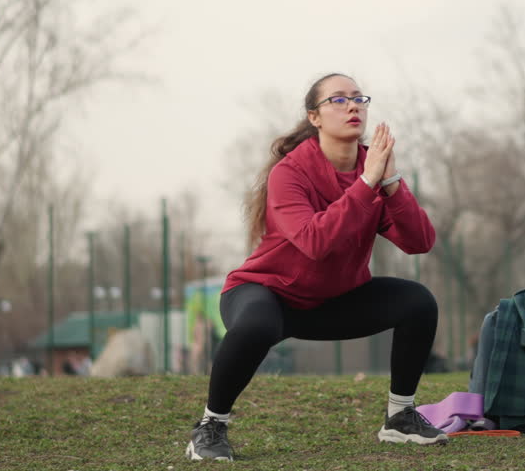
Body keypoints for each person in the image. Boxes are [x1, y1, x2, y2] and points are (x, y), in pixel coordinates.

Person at [184, 74, 444, 461]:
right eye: (338, 100)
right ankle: (210, 427)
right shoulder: (290, 172)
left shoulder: (373, 169)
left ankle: (400, 418)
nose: (353, 106)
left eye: (359, 99)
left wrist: (390, 181)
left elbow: (419, 241)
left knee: (418, 302)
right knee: (257, 325)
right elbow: (314, 242)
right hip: (266, 294)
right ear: (315, 117)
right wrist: (367, 181)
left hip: (331, 302)